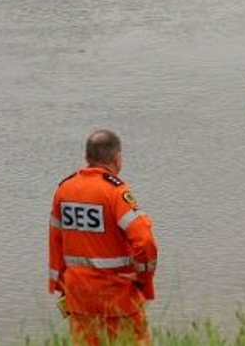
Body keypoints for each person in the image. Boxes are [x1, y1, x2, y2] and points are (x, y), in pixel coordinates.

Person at [48, 130, 158, 346]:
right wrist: (144, 281)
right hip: (117, 296)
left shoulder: (64, 190)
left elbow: (55, 242)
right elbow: (144, 241)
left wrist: (60, 285)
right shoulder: (115, 192)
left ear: (87, 158)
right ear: (117, 159)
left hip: (78, 296)